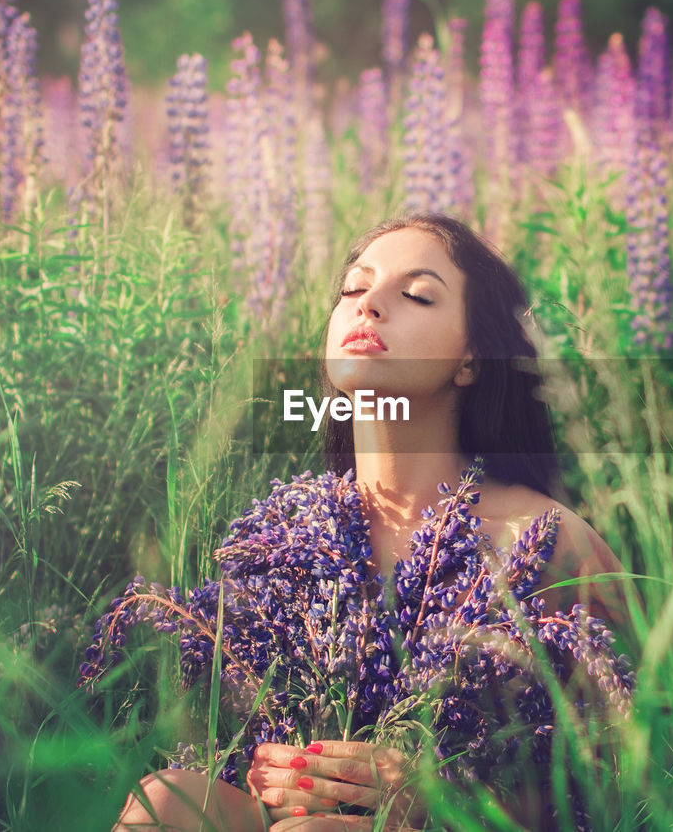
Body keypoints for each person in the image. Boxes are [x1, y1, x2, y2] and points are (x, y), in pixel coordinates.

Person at [115, 213, 631, 831]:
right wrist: (271, 770)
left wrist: (433, 799)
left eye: (416, 294)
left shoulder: (545, 538)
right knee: (167, 798)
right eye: (354, 289)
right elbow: (242, 747)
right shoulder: (284, 533)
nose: (370, 305)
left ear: (471, 357)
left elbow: (629, 777)